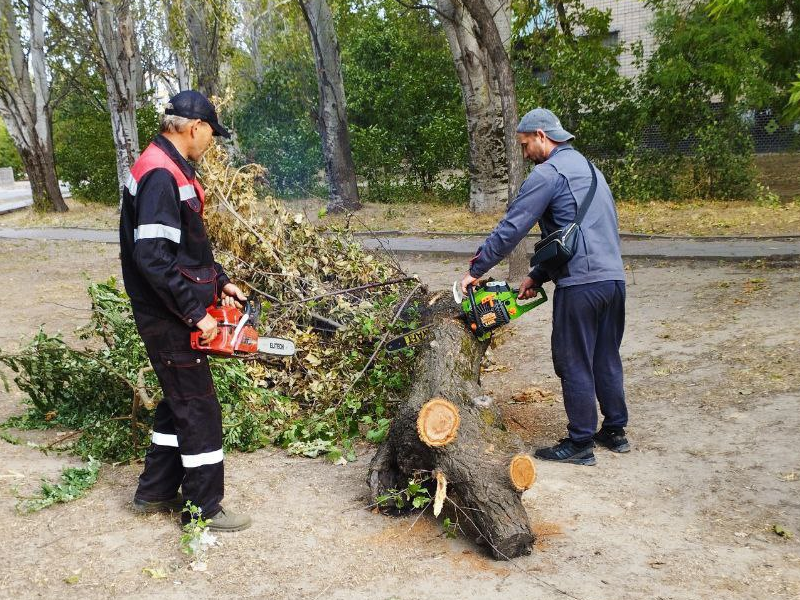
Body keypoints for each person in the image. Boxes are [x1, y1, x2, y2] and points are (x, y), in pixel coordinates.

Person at [459, 108, 629, 466]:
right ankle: (615, 431)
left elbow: (512, 228)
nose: (524, 153)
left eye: (525, 145)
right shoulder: (590, 171)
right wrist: (537, 276)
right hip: (613, 280)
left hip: (580, 286)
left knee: (573, 360)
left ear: (540, 135)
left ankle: (580, 443)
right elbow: (579, 232)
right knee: (605, 355)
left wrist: (477, 269)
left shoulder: (547, 174)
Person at [120, 90, 251, 530]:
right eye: (212, 133)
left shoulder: (168, 165)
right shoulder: (161, 174)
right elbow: (153, 258)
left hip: (169, 306)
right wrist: (198, 313)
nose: (211, 142)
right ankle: (204, 508)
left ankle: (155, 491)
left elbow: (184, 249)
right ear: (195, 127)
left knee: (178, 401)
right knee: (198, 406)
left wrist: (220, 279)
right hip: (167, 313)